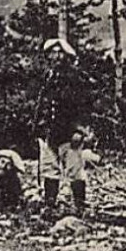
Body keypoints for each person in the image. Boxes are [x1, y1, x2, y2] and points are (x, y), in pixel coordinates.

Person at [34, 37, 91, 215]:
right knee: (50, 169)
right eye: (52, 53)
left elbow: (85, 106)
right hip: (50, 132)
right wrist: (38, 127)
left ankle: (79, 207)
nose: (56, 56)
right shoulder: (49, 77)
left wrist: (80, 130)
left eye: (59, 53)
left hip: (70, 133)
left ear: (66, 55)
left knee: (74, 170)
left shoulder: (76, 77)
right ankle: (49, 205)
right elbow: (42, 104)